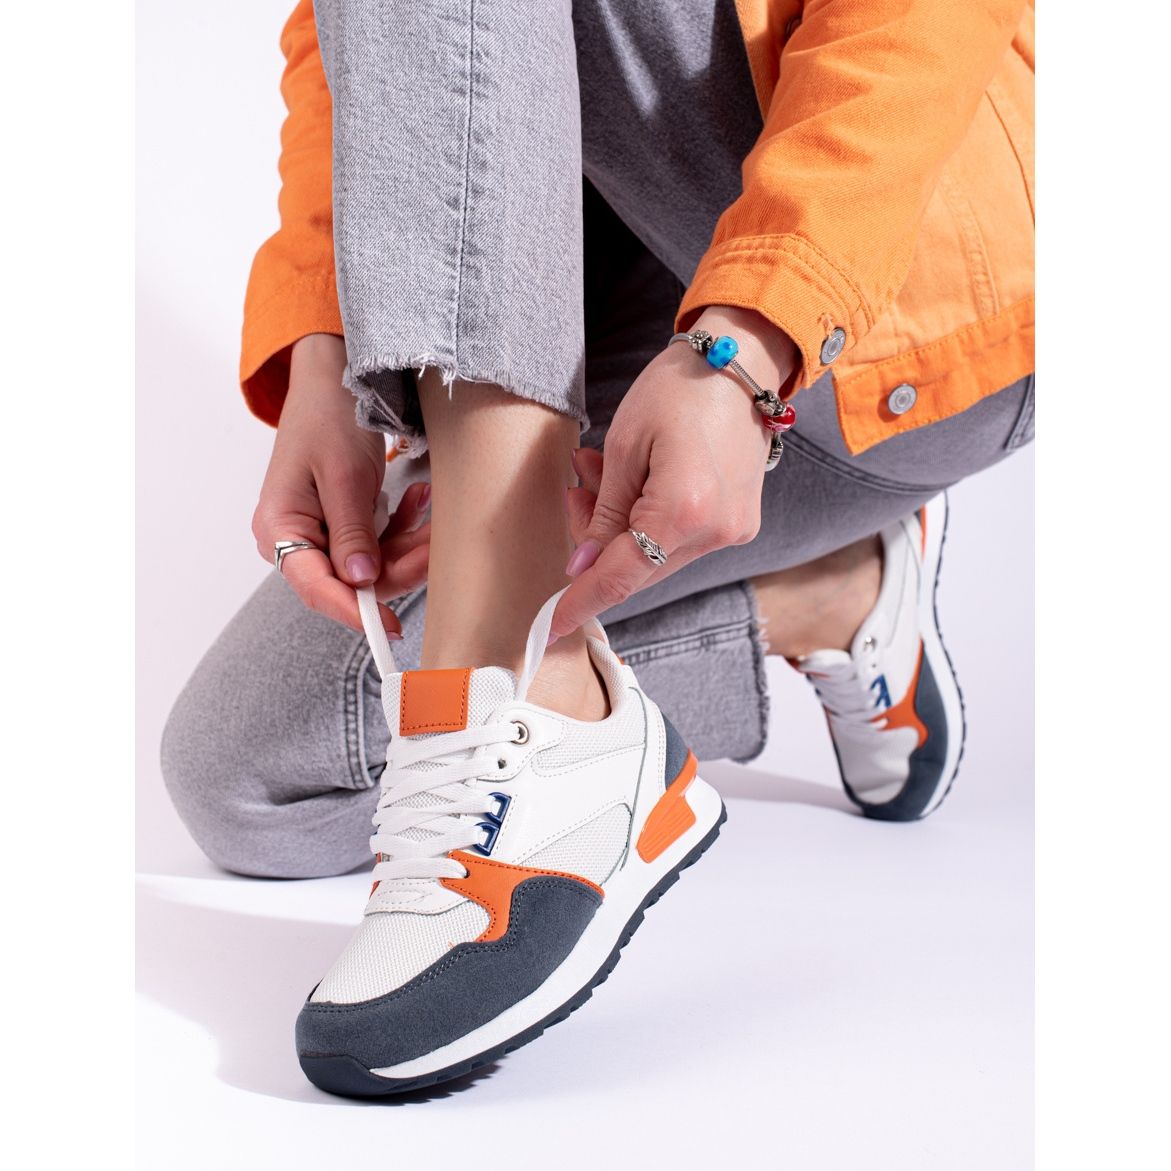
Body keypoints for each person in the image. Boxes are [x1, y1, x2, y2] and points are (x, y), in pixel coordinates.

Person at [162, 0, 1034, 1097]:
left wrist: (753, 334)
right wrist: (327, 343)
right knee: (246, 780)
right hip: (595, 281)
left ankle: (529, 694)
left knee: (421, 708)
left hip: (902, 286)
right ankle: (819, 591)